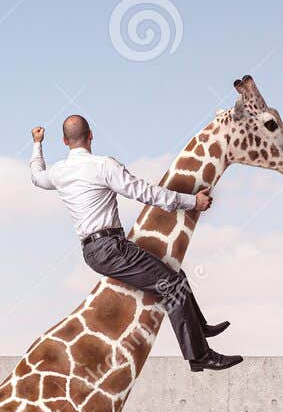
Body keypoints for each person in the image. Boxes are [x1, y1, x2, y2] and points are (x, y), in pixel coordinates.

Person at [29, 114, 241, 372]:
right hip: (111, 248)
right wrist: (191, 202)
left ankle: (200, 329)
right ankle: (200, 356)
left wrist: (37, 144)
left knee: (174, 271)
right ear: (91, 135)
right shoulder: (104, 166)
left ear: (64, 141)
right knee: (172, 287)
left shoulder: (60, 171)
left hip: (93, 250)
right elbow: (145, 193)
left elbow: (37, 177)